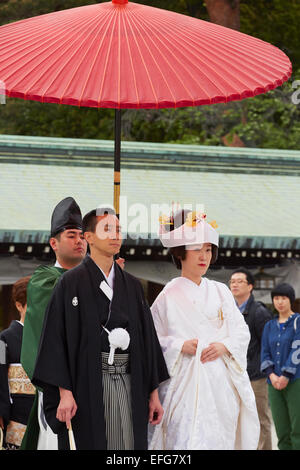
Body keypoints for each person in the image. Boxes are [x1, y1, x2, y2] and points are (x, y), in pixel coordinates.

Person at [31, 207, 169, 450]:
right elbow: (56, 340)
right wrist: (64, 392)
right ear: (89, 237)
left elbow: (147, 341)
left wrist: (154, 394)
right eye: (107, 229)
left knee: (128, 445)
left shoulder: (133, 286)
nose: (115, 235)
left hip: (130, 382)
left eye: (118, 229)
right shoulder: (69, 284)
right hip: (87, 386)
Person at [148, 209, 259, 450]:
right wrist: (178, 346)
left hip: (220, 383)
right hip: (183, 384)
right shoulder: (167, 295)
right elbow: (151, 340)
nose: (204, 256)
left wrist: (224, 345)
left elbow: (241, 331)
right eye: (197, 249)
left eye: (208, 250)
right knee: (184, 440)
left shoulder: (221, 291)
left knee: (219, 438)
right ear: (180, 253)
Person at [20, 196, 87, 450]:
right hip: (57, 392)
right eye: (71, 235)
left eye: (82, 236)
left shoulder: (97, 280)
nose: (79, 241)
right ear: (53, 243)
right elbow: (49, 339)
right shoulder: (44, 280)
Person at [229, 267, 273, 450]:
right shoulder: (229, 310)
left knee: (260, 419)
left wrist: (265, 370)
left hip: (256, 376)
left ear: (251, 287)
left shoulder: (259, 312)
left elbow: (268, 344)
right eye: (232, 282)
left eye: (240, 281)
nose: (235, 285)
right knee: (239, 419)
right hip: (236, 374)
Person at [261, 282, 300, 450]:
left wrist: (285, 376)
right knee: (281, 429)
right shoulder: (269, 325)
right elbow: (264, 352)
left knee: (297, 429)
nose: (280, 302)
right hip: (273, 383)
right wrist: (272, 376)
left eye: (284, 298)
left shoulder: (297, 321)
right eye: (276, 298)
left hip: (295, 382)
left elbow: (297, 349)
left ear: (291, 300)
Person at [0, 276, 35, 449]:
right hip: (15, 417)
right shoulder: (3, 339)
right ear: (19, 305)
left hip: (45, 413)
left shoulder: (50, 338)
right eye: (32, 305)